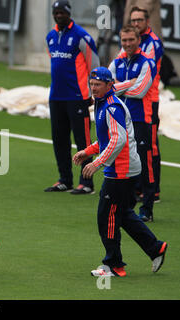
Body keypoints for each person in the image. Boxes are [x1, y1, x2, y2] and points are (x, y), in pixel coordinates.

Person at [73, 67, 167, 277]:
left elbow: (119, 139)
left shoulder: (112, 107)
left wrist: (96, 163)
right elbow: (108, 138)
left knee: (106, 216)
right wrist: (87, 151)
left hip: (121, 170)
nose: (94, 88)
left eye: (98, 85)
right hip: (122, 167)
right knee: (121, 214)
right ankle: (155, 248)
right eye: (92, 84)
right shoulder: (102, 103)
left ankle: (114, 264)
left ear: (109, 85)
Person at [45, 0, 99, 195]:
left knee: (83, 141)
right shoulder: (50, 36)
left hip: (77, 97)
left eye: (62, 12)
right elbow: (54, 63)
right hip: (56, 96)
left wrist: (93, 92)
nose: (59, 15)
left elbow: (94, 64)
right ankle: (64, 179)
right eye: (56, 12)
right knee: (59, 139)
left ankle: (86, 183)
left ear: (69, 13)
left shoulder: (81, 36)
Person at [109, 25, 157, 222]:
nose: (127, 44)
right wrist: (130, 83)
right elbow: (107, 87)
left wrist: (117, 88)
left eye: (131, 40)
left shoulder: (147, 62)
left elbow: (141, 92)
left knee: (145, 164)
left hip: (140, 119)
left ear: (138, 41)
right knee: (123, 162)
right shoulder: (117, 61)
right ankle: (126, 206)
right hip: (120, 120)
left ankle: (147, 208)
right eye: (124, 40)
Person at [130, 6, 164, 203]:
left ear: (147, 21)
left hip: (149, 101)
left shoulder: (153, 43)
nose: (136, 24)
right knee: (135, 145)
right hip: (134, 101)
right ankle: (138, 186)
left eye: (139, 20)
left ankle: (153, 190)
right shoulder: (131, 41)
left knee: (150, 147)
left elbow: (143, 75)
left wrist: (122, 85)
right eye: (133, 20)